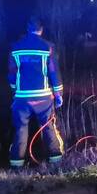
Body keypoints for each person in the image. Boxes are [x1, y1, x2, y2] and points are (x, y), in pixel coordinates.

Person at [8, 17, 64, 170]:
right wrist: (58, 94)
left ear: (27, 28)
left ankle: (16, 165)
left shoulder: (16, 47)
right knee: (48, 127)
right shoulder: (48, 47)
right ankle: (56, 163)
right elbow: (53, 72)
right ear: (41, 29)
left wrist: (14, 90)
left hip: (22, 98)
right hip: (44, 97)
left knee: (20, 129)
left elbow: (12, 73)